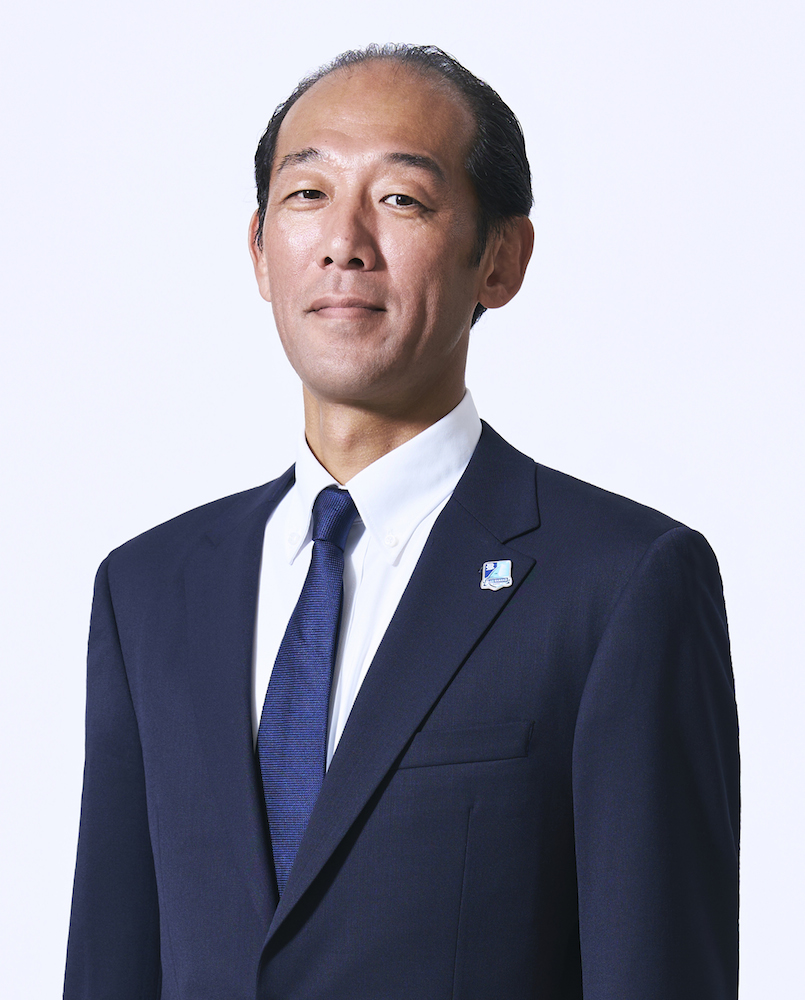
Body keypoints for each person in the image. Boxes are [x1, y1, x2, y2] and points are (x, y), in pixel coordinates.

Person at [64, 44, 739, 1000]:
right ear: (258, 250)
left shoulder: (619, 585)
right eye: (307, 195)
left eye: (401, 200)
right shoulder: (149, 589)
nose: (343, 242)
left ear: (499, 259)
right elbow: (111, 960)